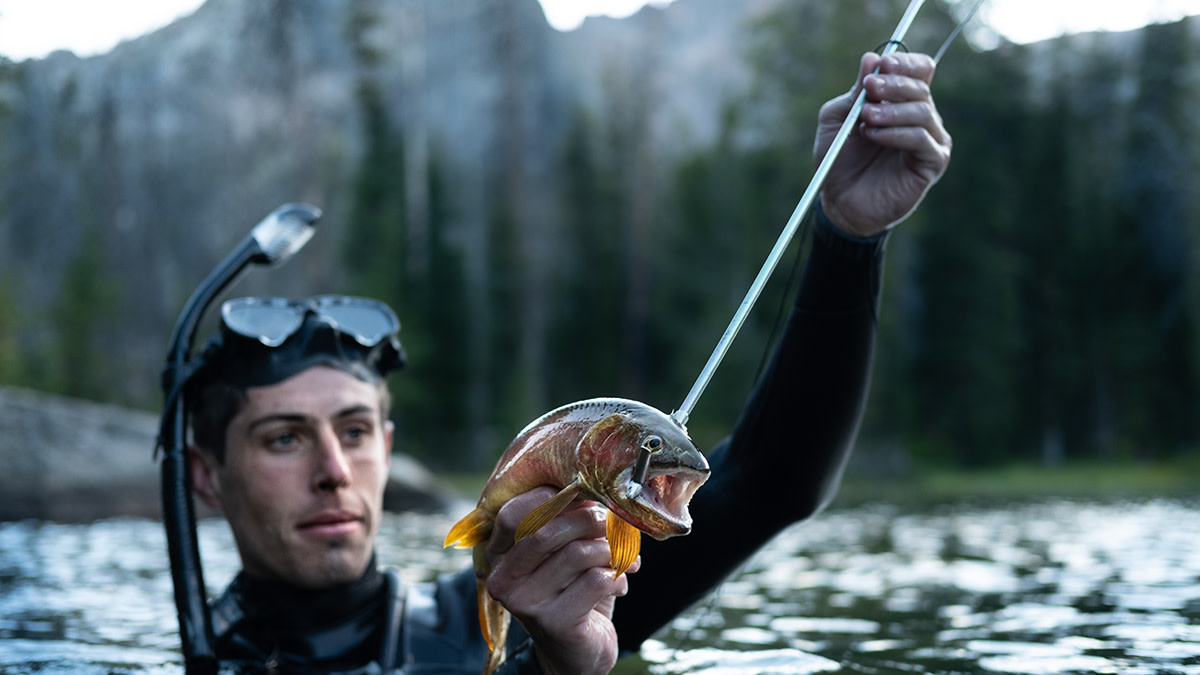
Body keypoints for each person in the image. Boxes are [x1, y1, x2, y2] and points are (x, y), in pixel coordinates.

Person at [183, 51, 951, 675]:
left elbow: (769, 483)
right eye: (283, 437)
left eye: (354, 431)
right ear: (206, 476)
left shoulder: (529, 606)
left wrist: (848, 235)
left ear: (387, 446)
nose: (333, 469)